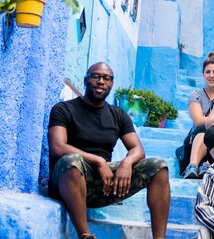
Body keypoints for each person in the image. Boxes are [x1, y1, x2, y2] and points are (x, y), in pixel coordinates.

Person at [47, 62, 170, 239]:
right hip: (68, 182)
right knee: (71, 160)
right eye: (96, 76)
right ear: (85, 80)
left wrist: (127, 163)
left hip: (104, 186)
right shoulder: (64, 109)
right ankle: (85, 236)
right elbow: (58, 147)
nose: (101, 81)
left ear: (112, 84)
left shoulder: (118, 115)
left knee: (158, 166)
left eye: (107, 78)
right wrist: (98, 160)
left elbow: (137, 149)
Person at [181, 52, 214, 179]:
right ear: (203, 74)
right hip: (195, 142)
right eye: (208, 72)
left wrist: (212, 121)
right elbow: (198, 121)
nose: (211, 75)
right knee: (206, 127)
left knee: (212, 129)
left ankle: (207, 165)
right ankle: (192, 167)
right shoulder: (196, 95)